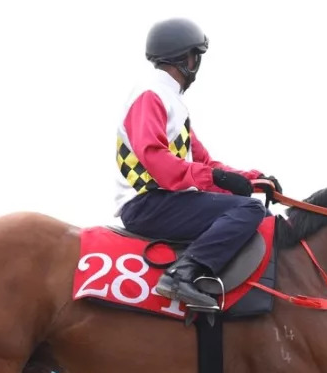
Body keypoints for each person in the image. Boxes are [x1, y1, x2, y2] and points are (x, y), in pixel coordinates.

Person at [115, 17, 282, 312]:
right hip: (147, 203)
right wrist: (221, 180)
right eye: (196, 57)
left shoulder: (171, 101)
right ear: (188, 59)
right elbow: (156, 159)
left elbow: (204, 162)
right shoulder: (150, 95)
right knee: (249, 209)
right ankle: (182, 275)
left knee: (258, 208)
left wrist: (253, 179)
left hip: (167, 199)